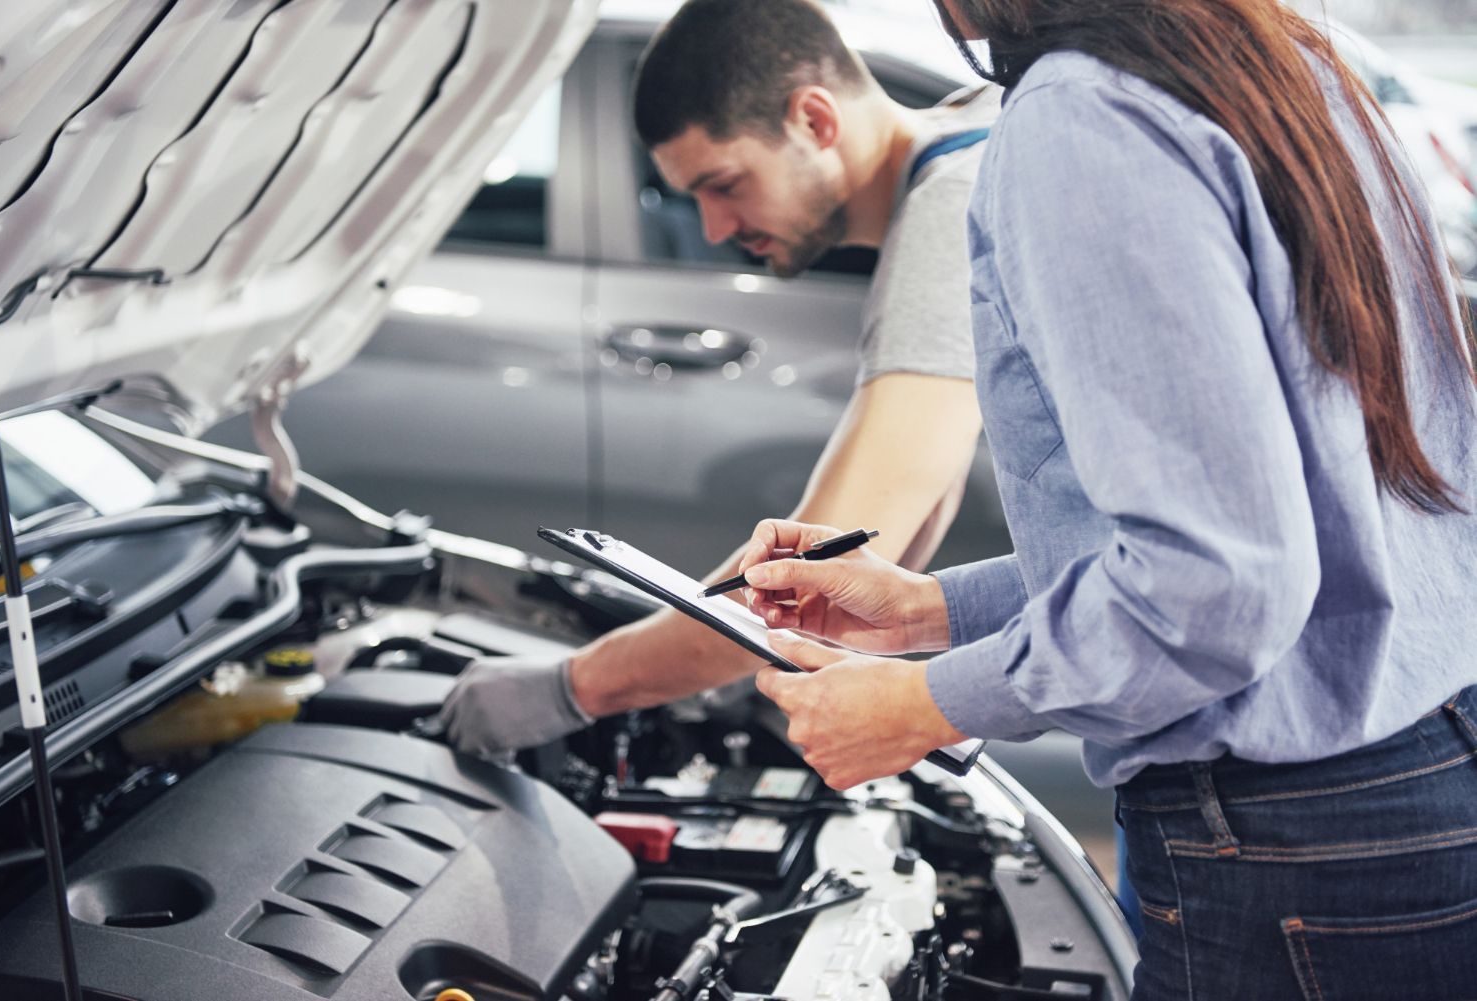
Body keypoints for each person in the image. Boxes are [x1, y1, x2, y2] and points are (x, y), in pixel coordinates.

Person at [739, 1, 1477, 997]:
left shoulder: (1082, 116)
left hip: (1288, 847)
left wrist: (926, 703)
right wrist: (931, 610)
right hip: (1422, 773)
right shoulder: (1283, 54)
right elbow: (1296, 516)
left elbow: (1214, 584)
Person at [441, 0, 1001, 754]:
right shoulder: (970, 134)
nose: (712, 229)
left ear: (814, 120)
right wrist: (752, 660)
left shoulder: (949, 214)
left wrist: (571, 686)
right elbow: (901, 521)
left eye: (726, 183)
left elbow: (809, 568)